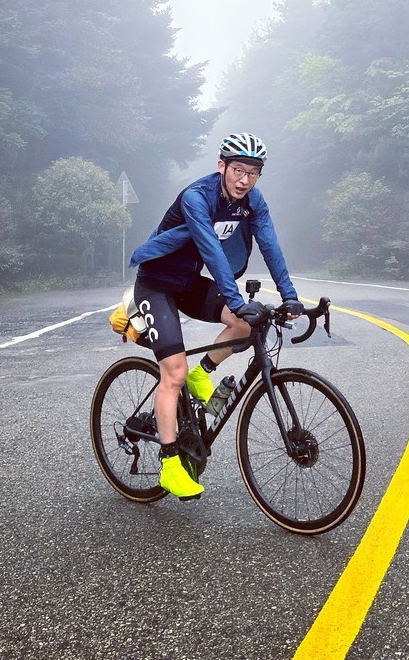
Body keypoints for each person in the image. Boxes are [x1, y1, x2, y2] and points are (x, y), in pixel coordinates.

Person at [128, 132, 302, 500]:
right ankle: (170, 464)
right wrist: (236, 298)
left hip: (188, 283)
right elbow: (211, 251)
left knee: (243, 325)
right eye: (238, 170)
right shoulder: (197, 197)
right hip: (156, 285)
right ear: (221, 166)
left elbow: (270, 244)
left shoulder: (253, 201)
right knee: (171, 375)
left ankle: (201, 372)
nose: (245, 180)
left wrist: (291, 297)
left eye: (253, 173)